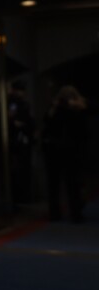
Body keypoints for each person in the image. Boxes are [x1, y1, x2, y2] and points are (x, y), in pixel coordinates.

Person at [41, 84, 91, 223]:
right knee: (72, 185)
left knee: (56, 184)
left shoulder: (57, 109)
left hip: (56, 151)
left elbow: (48, 125)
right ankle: (75, 213)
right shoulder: (73, 110)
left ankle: (56, 213)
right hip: (69, 151)